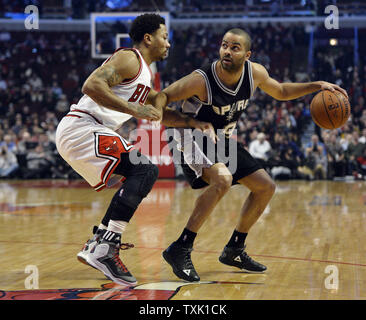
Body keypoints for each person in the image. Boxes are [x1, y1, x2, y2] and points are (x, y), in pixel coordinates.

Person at [156, 28, 348, 282]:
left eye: (234, 47)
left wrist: (317, 86)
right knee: (222, 180)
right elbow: (161, 97)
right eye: (224, 45)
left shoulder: (255, 73)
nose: (227, 51)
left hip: (220, 137)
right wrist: (189, 121)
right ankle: (180, 247)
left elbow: (280, 91)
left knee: (265, 186)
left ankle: (235, 248)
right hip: (189, 135)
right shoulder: (201, 80)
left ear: (247, 54)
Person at [55, 13, 213, 286]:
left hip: (86, 130)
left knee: (141, 172)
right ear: (148, 38)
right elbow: (91, 85)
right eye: (165, 37)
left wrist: (193, 122)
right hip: (81, 127)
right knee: (145, 169)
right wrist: (132, 108)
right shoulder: (130, 58)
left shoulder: (144, 76)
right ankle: (105, 247)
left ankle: (100, 244)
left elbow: (159, 112)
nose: (168, 44)